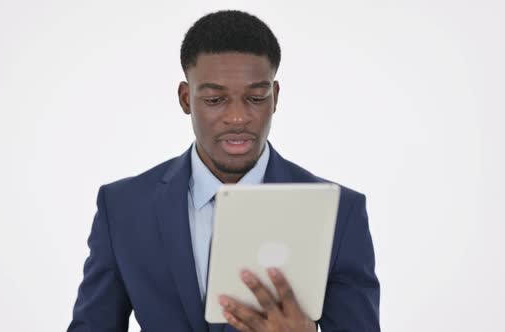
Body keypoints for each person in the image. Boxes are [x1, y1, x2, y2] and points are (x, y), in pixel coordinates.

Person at [68, 10, 380, 332]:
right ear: (186, 98)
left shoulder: (340, 213)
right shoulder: (123, 207)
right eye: (216, 99)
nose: (237, 117)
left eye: (256, 98)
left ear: (275, 98)